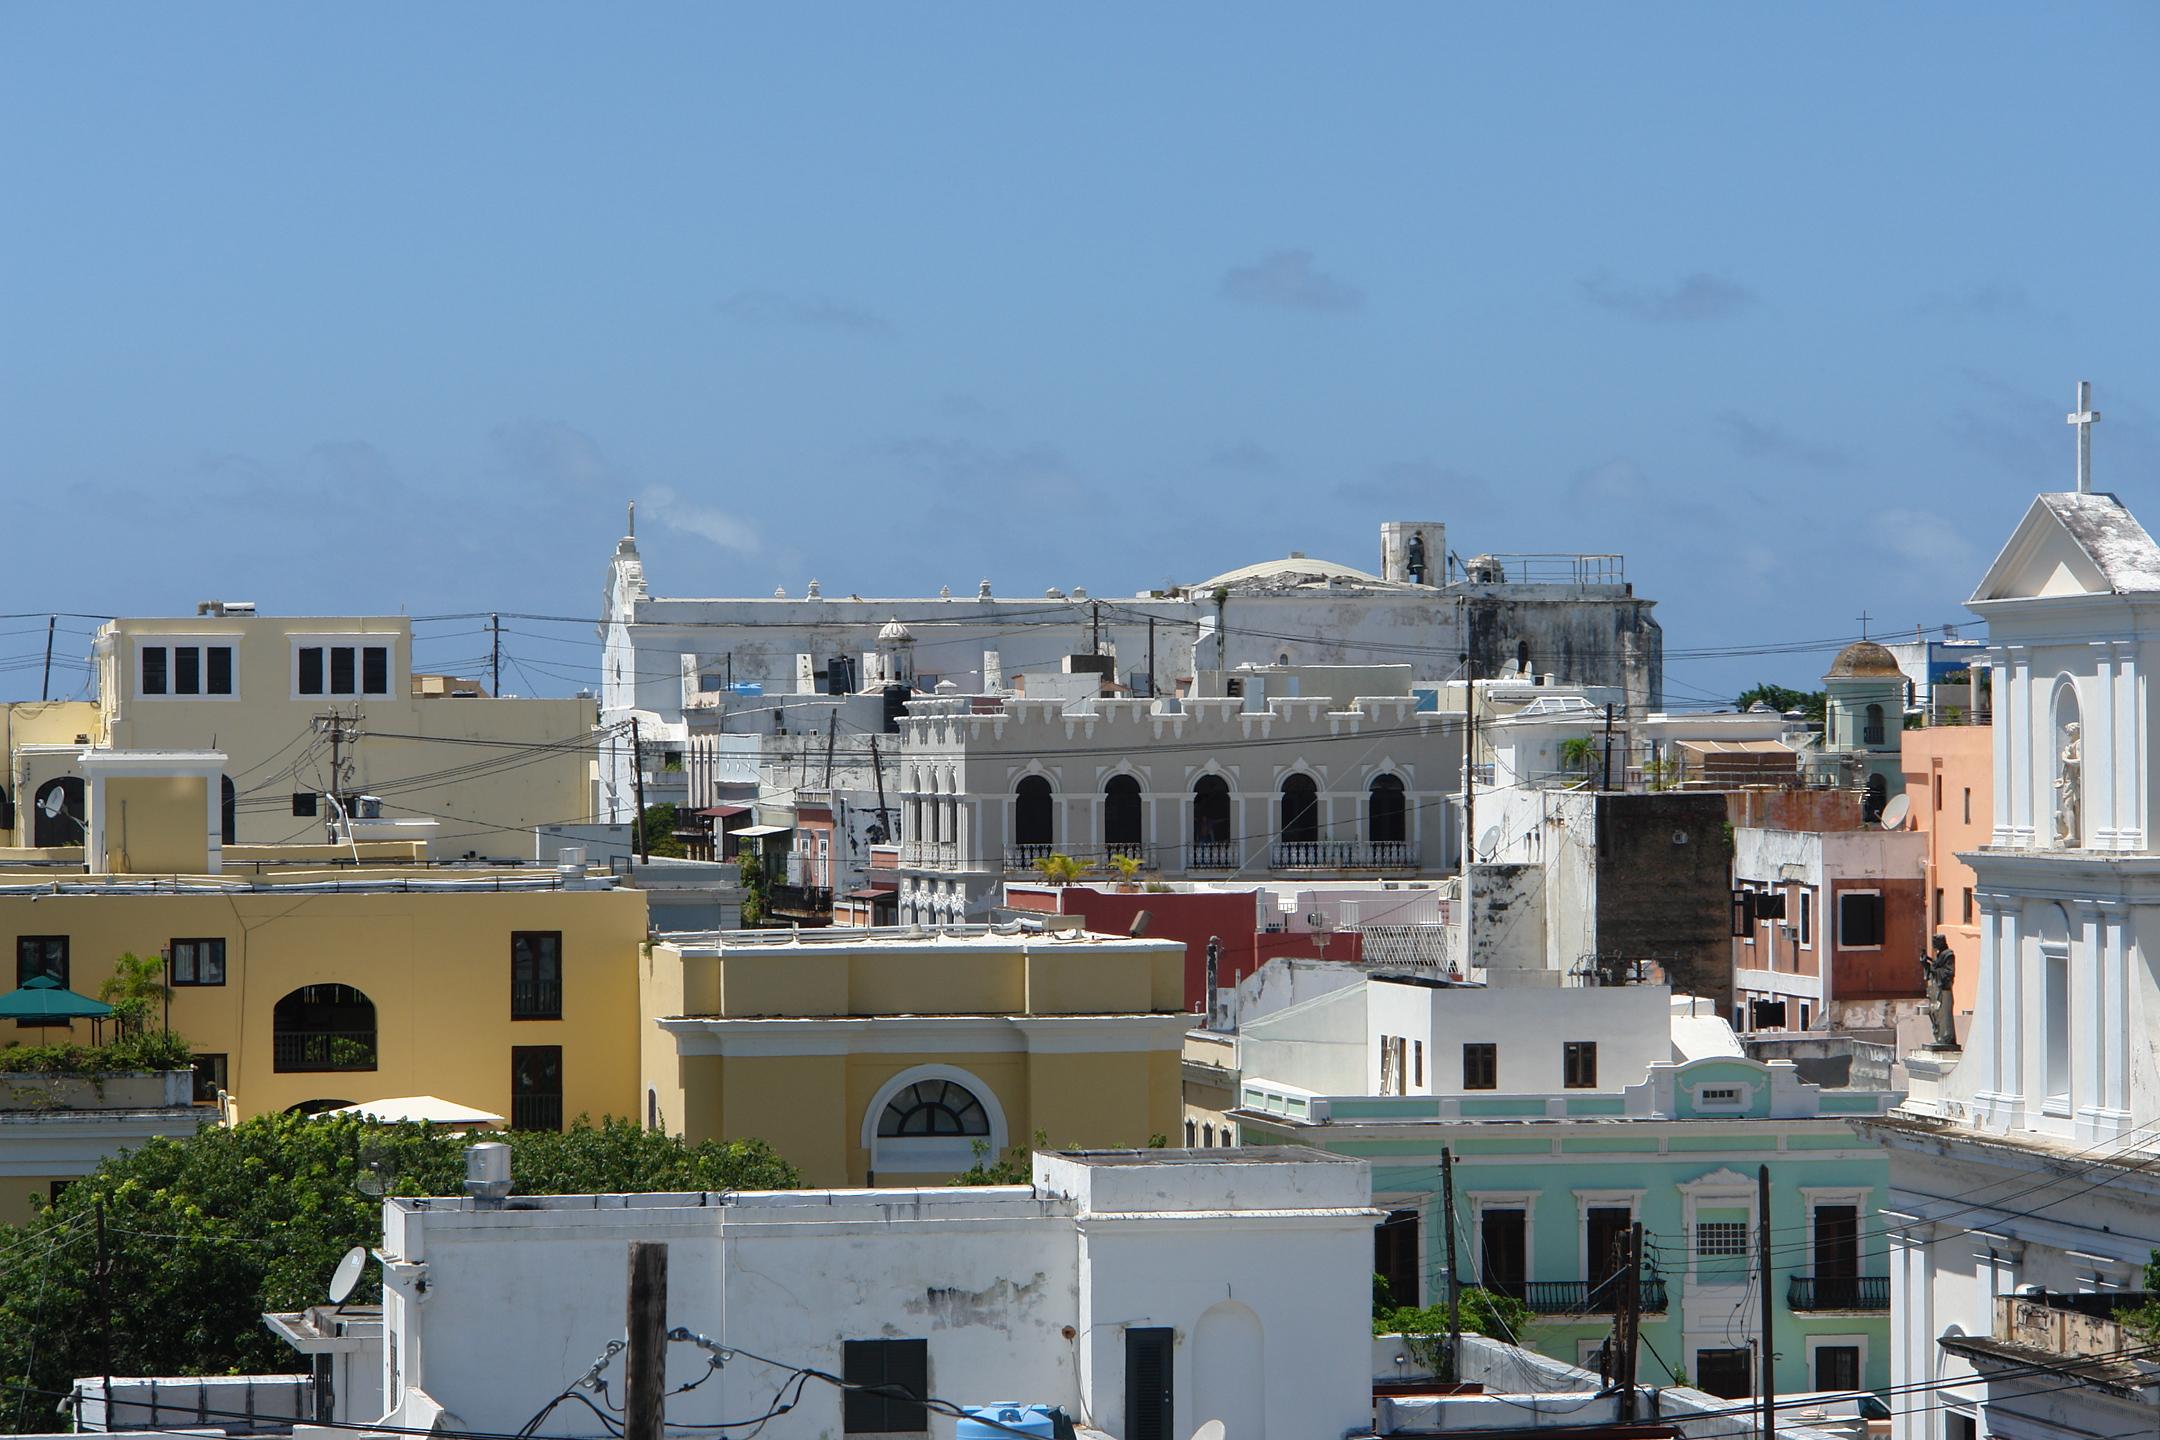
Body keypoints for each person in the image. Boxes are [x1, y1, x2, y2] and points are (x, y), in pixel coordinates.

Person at [1921, 933, 1958, 1049]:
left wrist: (1933, 968)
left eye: (1935, 943)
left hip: (1944, 989)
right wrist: (1926, 964)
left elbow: (1949, 973)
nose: (1934, 946)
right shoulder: (1939, 956)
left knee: (1944, 1015)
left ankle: (1947, 1038)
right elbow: (1933, 970)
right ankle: (1940, 1037)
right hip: (1937, 990)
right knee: (1936, 1013)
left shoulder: (1948, 955)